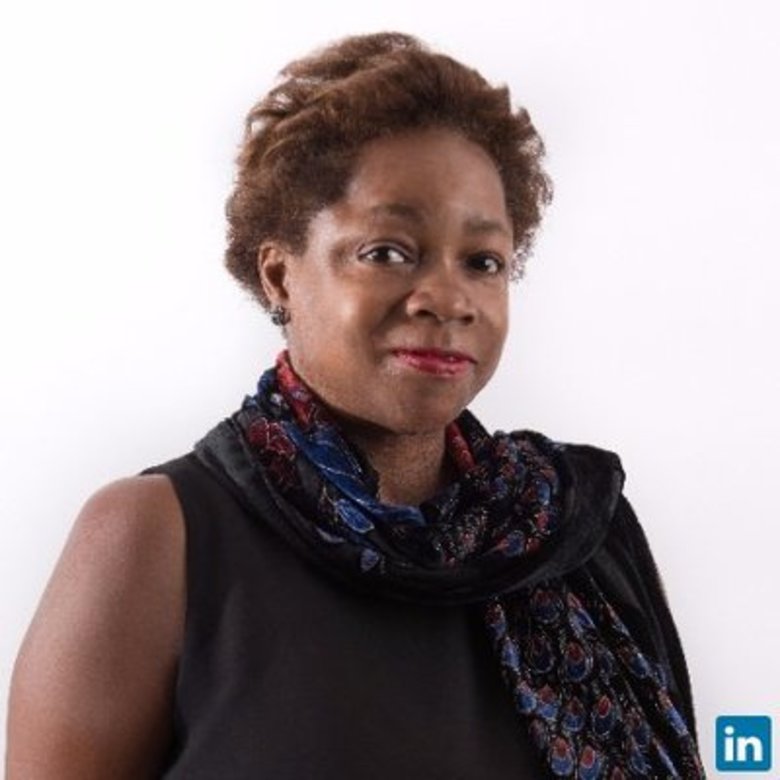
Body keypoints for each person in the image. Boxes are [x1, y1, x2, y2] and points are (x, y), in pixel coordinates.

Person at [7, 32, 705, 779]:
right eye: (387, 252)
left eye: (483, 261)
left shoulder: (574, 530)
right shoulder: (156, 538)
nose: (448, 298)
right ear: (279, 274)